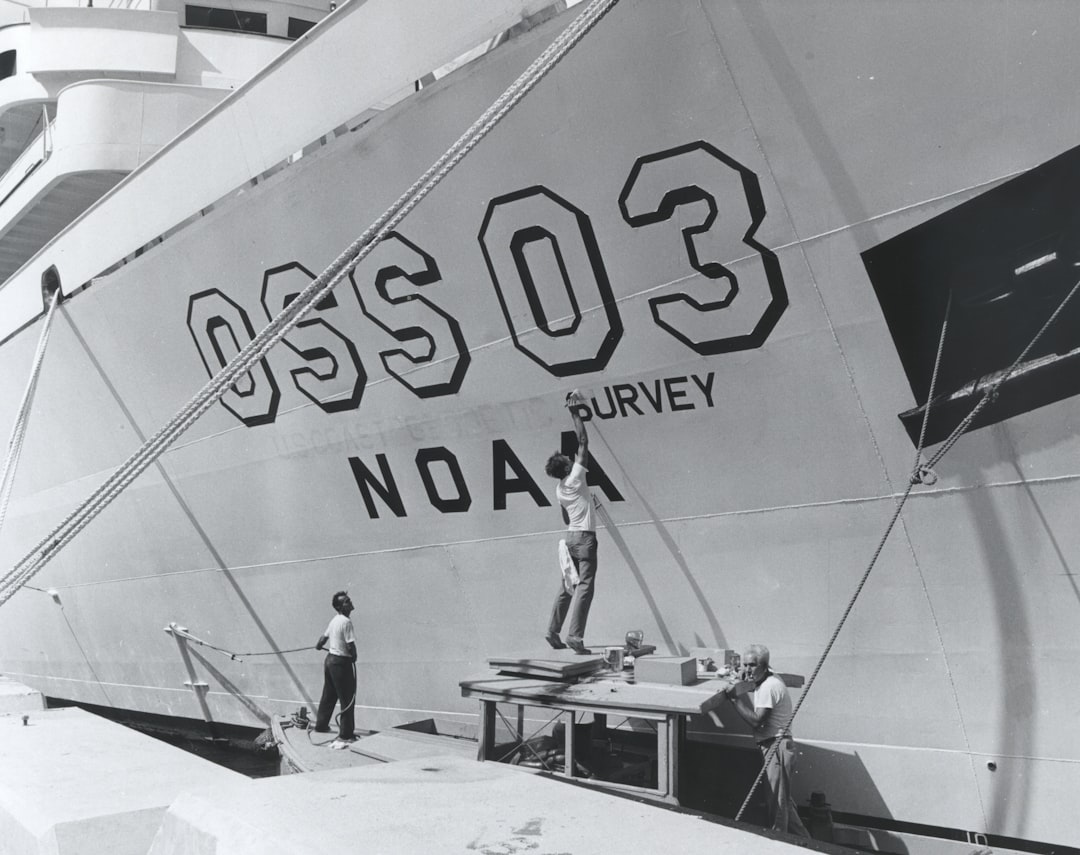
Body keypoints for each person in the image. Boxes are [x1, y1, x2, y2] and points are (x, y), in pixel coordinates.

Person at [726, 644, 811, 838]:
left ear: (763, 666)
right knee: (784, 801)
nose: (747, 669)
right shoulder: (771, 678)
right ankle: (808, 843)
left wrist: (735, 700)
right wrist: (745, 679)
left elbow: (757, 721)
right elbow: (757, 684)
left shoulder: (769, 687)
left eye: (751, 666)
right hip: (779, 745)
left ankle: (778, 843)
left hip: (776, 747)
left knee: (778, 805)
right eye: (745, 665)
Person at [543, 390, 598, 654]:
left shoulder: (559, 490)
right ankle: (575, 636)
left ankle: (553, 632)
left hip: (570, 537)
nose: (570, 457)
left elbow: (566, 515)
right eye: (567, 459)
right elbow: (583, 441)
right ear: (566, 467)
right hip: (585, 537)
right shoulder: (576, 477)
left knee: (567, 585)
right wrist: (574, 411)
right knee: (585, 586)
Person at [314, 590, 357, 747]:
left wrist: (318, 646)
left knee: (329, 695)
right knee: (347, 698)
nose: (350, 602)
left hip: (329, 661)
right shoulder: (346, 622)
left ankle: (321, 725)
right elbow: (350, 645)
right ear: (340, 607)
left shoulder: (334, 620)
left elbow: (322, 639)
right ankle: (346, 735)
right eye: (346, 601)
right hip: (341, 662)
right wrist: (354, 657)